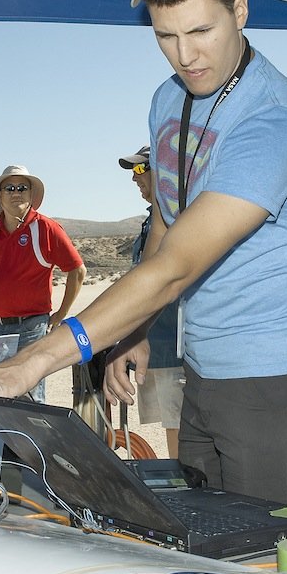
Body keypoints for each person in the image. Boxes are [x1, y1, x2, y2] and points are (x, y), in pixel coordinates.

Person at [0, 0, 287, 510]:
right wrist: (135, 330)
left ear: (241, 9)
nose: (186, 56)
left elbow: (178, 266)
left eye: (202, 32)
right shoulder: (170, 99)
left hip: (277, 368)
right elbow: (166, 218)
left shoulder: (271, 118)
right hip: (204, 362)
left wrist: (34, 360)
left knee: (266, 552)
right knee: (202, 535)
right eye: (167, 37)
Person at [0, 164, 86, 402]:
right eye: (9, 188)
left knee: (29, 397)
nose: (16, 193)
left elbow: (77, 271)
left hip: (32, 327)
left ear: (31, 195)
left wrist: (60, 314)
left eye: (22, 188)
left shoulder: (45, 228)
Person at [118, 144, 184, 457]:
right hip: (155, 344)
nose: (136, 178)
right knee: (171, 423)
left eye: (142, 169)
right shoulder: (152, 221)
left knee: (180, 424)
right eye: (134, 172)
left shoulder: (179, 216)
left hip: (175, 346)